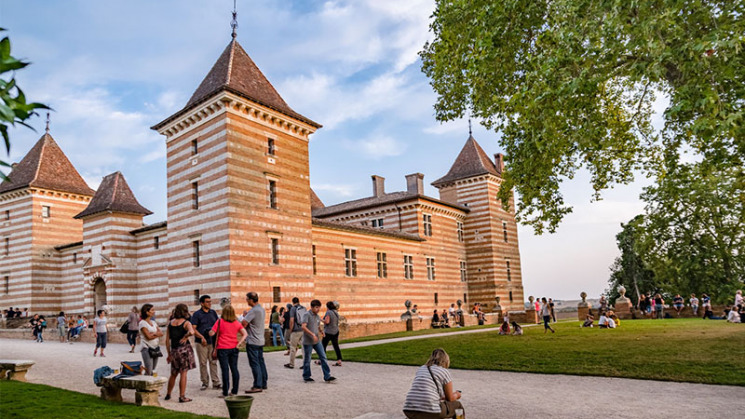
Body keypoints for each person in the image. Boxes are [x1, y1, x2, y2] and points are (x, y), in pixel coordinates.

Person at [403, 348, 464, 419]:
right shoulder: (444, 371)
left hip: (409, 409)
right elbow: (450, 399)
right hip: (431, 410)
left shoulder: (421, 368)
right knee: (458, 406)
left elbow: (425, 391)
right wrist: (457, 394)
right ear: (446, 360)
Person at [210, 304, 248, 398]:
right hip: (234, 348)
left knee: (225, 370)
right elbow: (245, 334)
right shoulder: (236, 323)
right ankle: (234, 391)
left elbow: (212, 333)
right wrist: (239, 343)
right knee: (234, 369)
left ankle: (225, 392)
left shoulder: (219, 322)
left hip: (222, 348)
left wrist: (209, 331)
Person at [165, 303, 196, 403]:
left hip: (174, 350)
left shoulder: (171, 323)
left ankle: (168, 394)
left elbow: (167, 341)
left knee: (173, 373)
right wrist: (186, 337)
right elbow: (192, 332)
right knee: (183, 373)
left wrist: (169, 354)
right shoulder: (186, 323)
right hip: (184, 350)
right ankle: (182, 396)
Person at [300, 299, 336, 383]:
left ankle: (327, 376)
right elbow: (303, 327)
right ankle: (306, 376)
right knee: (307, 359)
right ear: (312, 307)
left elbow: (317, 325)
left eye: (319, 307)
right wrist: (312, 334)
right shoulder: (306, 315)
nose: (318, 309)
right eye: (316, 307)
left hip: (317, 341)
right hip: (308, 341)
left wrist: (321, 331)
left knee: (323, 357)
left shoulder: (317, 316)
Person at [190, 295, 221, 391]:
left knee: (213, 361)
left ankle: (216, 382)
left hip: (212, 341)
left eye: (210, 301)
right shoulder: (197, 314)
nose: (209, 303)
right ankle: (205, 382)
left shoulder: (213, 313)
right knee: (203, 363)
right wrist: (202, 337)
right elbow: (193, 329)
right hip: (201, 342)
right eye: (207, 302)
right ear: (202, 303)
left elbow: (217, 326)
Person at [242, 291, 268, 393]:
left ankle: (257, 385)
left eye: (247, 299)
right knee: (261, 362)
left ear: (251, 300)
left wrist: (244, 316)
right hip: (260, 339)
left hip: (252, 340)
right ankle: (263, 382)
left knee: (255, 363)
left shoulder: (253, 311)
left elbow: (243, 324)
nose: (246, 301)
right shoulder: (261, 309)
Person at [139, 303, 164, 376]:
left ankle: (149, 385)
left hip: (155, 348)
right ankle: (144, 385)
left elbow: (161, 333)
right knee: (148, 370)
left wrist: (153, 334)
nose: (154, 311)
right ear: (147, 312)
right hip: (146, 348)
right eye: (152, 310)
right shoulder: (142, 323)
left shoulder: (153, 322)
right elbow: (148, 337)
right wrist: (156, 334)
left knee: (153, 369)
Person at [284, 297, 306, 369]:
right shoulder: (303, 308)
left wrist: (290, 330)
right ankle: (305, 364)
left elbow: (291, 320)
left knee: (293, 347)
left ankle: (291, 364)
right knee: (303, 348)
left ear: (293, 302)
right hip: (303, 329)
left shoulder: (293, 309)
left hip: (296, 330)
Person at [322, 301, 343, 367]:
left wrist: (321, 319)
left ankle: (322, 360)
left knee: (323, 346)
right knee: (336, 346)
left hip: (328, 331)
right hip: (336, 331)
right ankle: (339, 360)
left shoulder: (328, 312)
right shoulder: (336, 312)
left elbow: (327, 321)